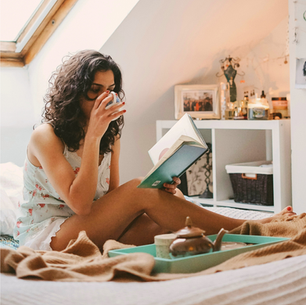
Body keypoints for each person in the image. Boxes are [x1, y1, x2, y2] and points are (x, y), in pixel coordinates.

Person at [13, 50, 295, 253]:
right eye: (94, 90)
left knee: (169, 217)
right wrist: (93, 137)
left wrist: (159, 187)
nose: (104, 98)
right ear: (74, 92)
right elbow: (82, 205)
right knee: (140, 189)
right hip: (51, 234)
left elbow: (109, 200)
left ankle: (236, 235)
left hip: (89, 226)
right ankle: (250, 228)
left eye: (110, 90)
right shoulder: (46, 136)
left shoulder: (111, 134)